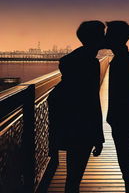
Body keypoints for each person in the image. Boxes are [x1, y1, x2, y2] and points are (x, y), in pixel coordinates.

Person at [48, 20, 105, 193]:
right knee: (74, 176)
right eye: (102, 34)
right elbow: (91, 101)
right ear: (95, 38)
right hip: (83, 126)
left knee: (72, 175)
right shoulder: (91, 63)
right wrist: (98, 135)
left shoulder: (71, 60)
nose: (105, 37)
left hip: (68, 122)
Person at [105, 20, 129, 193]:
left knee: (126, 160)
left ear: (115, 37)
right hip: (128, 117)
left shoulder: (123, 61)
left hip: (123, 118)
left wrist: (113, 118)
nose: (105, 37)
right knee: (126, 159)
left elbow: (122, 95)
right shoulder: (128, 59)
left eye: (108, 34)